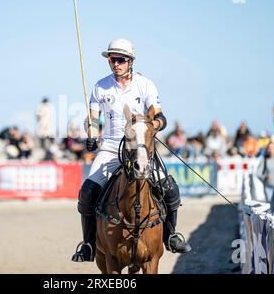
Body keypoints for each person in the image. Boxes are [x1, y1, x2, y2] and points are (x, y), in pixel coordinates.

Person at [72, 39, 191, 263]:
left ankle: (171, 236)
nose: (115, 64)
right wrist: (91, 134)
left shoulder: (145, 85)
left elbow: (159, 117)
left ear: (130, 61)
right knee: (87, 192)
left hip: (140, 148)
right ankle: (88, 244)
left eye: (120, 59)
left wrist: (150, 127)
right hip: (110, 149)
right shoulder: (100, 87)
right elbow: (93, 119)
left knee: (170, 189)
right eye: (111, 59)